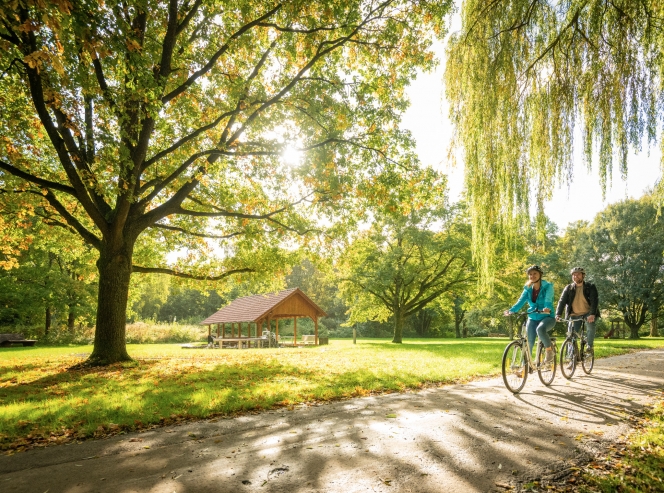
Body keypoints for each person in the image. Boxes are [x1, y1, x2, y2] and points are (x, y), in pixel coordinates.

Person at [504, 265, 556, 365]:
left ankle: (549, 351)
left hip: (547, 317)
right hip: (532, 317)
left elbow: (548, 299)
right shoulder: (527, 289)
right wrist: (511, 310)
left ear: (540, 275)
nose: (532, 276)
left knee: (540, 329)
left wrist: (547, 307)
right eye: (530, 274)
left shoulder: (548, 286)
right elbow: (520, 301)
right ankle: (525, 367)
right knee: (529, 342)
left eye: (535, 273)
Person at [556, 267, 599, 353]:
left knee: (590, 326)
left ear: (583, 275)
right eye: (574, 275)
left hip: (588, 313)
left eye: (578, 274)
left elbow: (594, 300)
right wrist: (558, 314)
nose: (576, 276)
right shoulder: (568, 288)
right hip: (574, 314)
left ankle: (589, 346)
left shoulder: (590, 287)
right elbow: (562, 301)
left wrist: (592, 314)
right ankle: (571, 357)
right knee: (571, 335)